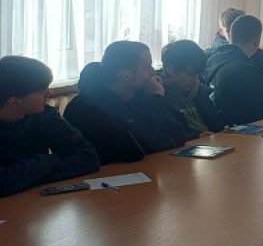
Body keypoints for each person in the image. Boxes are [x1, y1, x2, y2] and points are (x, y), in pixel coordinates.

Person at [64, 41, 197, 163]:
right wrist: (156, 100)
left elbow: (180, 132)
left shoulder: (137, 96)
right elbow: (139, 148)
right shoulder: (87, 108)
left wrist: (155, 100)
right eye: (147, 67)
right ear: (126, 75)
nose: (153, 72)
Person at [0, 55, 99, 197]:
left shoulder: (45, 115)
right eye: (41, 91)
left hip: (34, 201)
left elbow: (88, 158)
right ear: (14, 102)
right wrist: (49, 160)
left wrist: (26, 176)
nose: (50, 93)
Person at [205, 15, 263, 125]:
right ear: (257, 40)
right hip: (242, 130)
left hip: (219, 128)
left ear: (230, 36)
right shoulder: (246, 70)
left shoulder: (211, 61)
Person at [208, 6, 263, 97]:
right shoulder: (209, 56)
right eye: (230, 30)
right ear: (221, 32)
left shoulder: (262, 57)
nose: (235, 33)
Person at [160, 40, 224, 134]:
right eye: (190, 74)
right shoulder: (157, 98)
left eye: (198, 74)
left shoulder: (201, 93)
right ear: (170, 68)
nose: (195, 80)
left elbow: (217, 126)